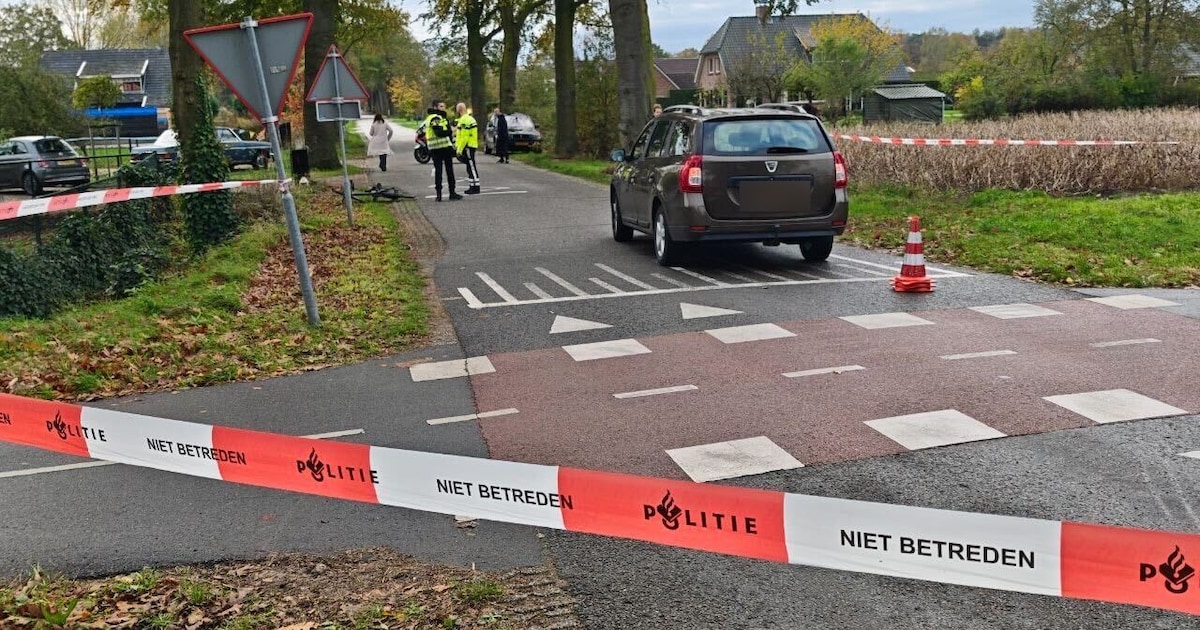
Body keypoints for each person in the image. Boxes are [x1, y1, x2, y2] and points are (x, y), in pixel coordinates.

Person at [423, 99, 461, 201]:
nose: (443, 108)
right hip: (439, 148)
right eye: (441, 106)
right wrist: (451, 131)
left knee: (447, 171)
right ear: (435, 107)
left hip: (442, 147)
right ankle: (442, 194)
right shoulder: (435, 118)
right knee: (442, 171)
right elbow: (439, 132)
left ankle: (449, 193)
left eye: (444, 106)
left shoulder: (441, 117)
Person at [455, 103, 481, 195]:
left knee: (471, 166)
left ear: (459, 109)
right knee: (470, 166)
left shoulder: (464, 120)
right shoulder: (469, 119)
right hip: (470, 145)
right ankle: (472, 186)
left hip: (468, 146)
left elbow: (464, 136)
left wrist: (459, 149)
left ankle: (475, 187)